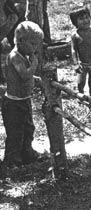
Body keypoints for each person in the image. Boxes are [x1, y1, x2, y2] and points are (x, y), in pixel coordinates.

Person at [2, 21, 44, 168]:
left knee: (28, 128)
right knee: (15, 132)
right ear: (21, 41)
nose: (35, 48)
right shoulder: (15, 56)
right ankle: (12, 160)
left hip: (24, 100)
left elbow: (25, 77)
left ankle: (27, 153)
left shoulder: (24, 54)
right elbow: (24, 75)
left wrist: (35, 79)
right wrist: (34, 65)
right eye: (33, 44)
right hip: (13, 103)